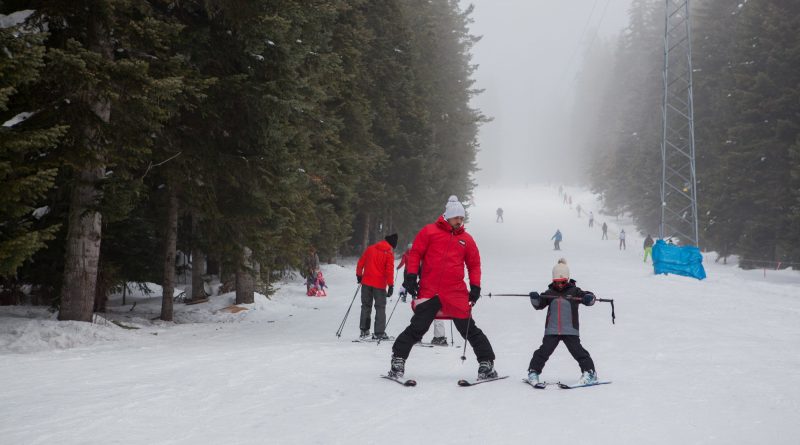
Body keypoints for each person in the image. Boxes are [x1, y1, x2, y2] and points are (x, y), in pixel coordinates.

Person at [388, 195, 497, 380]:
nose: (460, 221)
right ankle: (398, 359)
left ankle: (486, 362)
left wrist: (476, 287)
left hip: (455, 293)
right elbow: (415, 254)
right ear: (447, 216)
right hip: (430, 291)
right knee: (418, 328)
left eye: (462, 218)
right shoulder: (429, 232)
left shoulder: (466, 240)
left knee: (469, 329)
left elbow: (474, 265)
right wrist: (412, 277)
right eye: (457, 218)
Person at [526, 259, 598, 385]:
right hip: (552, 329)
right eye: (557, 282)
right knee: (543, 352)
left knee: (578, 352)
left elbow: (589, 298)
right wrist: (535, 299)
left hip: (570, 329)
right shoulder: (549, 293)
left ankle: (590, 372)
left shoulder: (575, 291)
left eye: (563, 282)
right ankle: (533, 372)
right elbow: (539, 305)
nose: (559, 285)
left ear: (568, 279)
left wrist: (588, 298)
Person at [356, 233, 397, 340]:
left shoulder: (370, 249)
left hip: (366, 283)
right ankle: (379, 332)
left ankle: (364, 330)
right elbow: (389, 271)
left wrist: (359, 275)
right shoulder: (389, 253)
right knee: (380, 307)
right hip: (379, 285)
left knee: (365, 306)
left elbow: (360, 263)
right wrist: (391, 285)